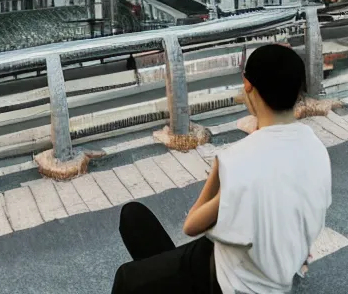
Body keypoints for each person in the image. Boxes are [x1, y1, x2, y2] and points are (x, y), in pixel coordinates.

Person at [112, 44, 332, 294]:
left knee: (128, 278)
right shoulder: (315, 148)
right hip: (276, 259)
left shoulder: (239, 162)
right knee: (133, 218)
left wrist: (219, 170)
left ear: (247, 84)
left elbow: (192, 225)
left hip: (227, 275)